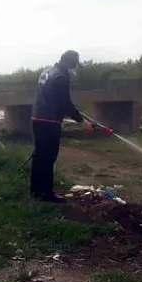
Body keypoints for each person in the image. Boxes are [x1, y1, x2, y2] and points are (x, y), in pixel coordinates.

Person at [30, 50, 94, 202]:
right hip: (50, 121)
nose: (73, 69)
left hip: (37, 118)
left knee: (39, 156)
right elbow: (65, 104)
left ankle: (35, 191)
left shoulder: (47, 71)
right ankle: (46, 193)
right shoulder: (61, 77)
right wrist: (81, 122)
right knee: (49, 157)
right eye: (73, 65)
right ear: (67, 62)